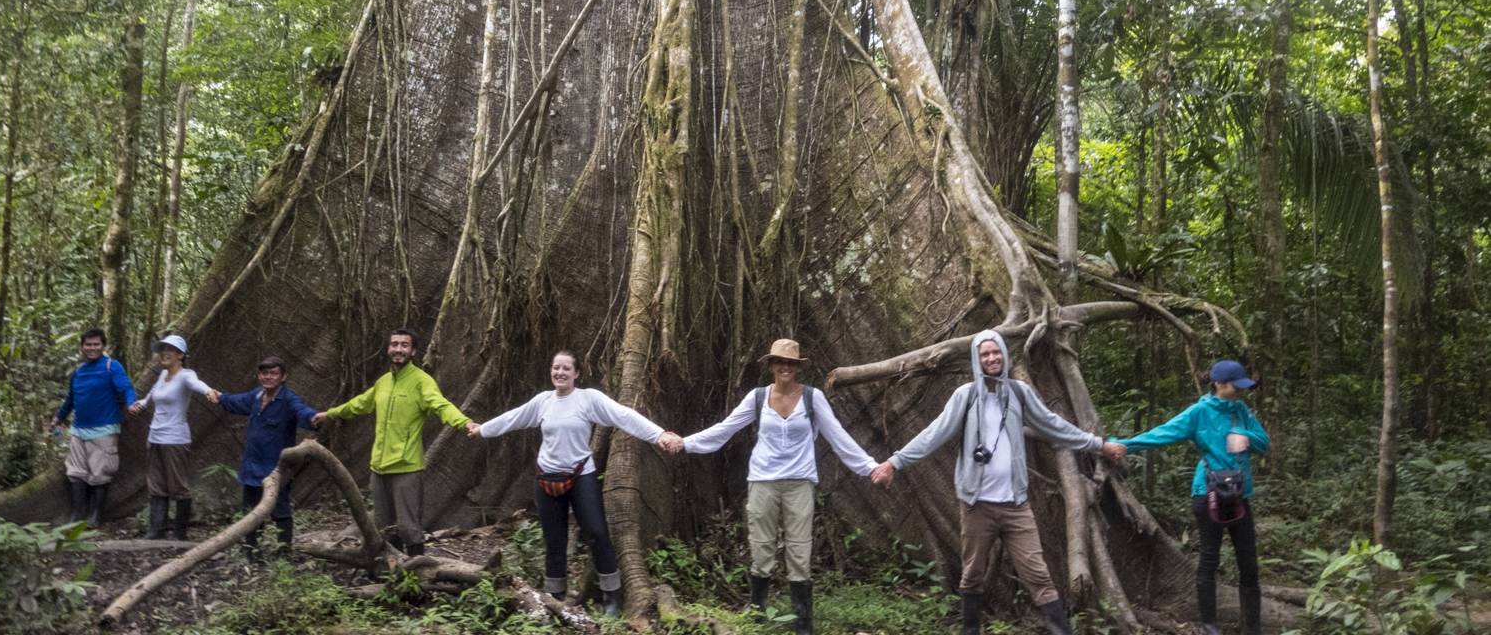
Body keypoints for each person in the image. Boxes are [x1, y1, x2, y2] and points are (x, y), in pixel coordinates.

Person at [869, 330, 1125, 635]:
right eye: (985, 354)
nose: (991, 358)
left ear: (1004, 355)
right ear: (977, 360)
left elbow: (1054, 425)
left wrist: (1098, 444)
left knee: (1038, 575)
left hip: (1016, 504)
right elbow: (934, 434)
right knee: (973, 573)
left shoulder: (1018, 393)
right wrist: (895, 462)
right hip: (976, 504)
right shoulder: (965, 396)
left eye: (996, 352)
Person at [674, 338, 878, 635]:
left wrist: (870, 467)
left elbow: (838, 437)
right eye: (780, 362)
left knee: (799, 550)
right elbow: (725, 429)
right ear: (771, 365)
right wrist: (685, 443)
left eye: (791, 363)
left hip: (799, 483)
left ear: (798, 368)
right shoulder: (757, 398)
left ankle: (803, 625)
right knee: (761, 548)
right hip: (762, 482)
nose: (785, 367)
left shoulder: (812, 397)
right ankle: (757, 615)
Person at [471, 350, 682, 616]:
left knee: (596, 533)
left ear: (577, 373)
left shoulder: (588, 399)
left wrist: (658, 435)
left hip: (581, 476)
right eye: (555, 367)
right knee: (554, 540)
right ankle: (554, 597)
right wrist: (482, 429)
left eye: (565, 369)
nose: (559, 373)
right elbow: (513, 418)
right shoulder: (543, 402)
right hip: (547, 477)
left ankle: (611, 596)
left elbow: (624, 415)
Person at [1113, 360, 1270, 635]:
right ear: (1219, 384)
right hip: (1208, 494)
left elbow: (1264, 442)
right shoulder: (1199, 412)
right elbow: (1163, 433)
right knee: (1209, 559)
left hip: (1240, 496)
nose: (1241, 391)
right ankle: (1210, 627)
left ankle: (1252, 628)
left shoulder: (1241, 411)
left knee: (1249, 564)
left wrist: (1245, 437)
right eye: (1236, 386)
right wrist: (1124, 445)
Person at [312, 329, 477, 556]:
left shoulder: (421, 382)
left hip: (406, 467)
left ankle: (417, 574)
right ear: (389, 349)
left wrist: (464, 423)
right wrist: (330, 414)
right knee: (384, 528)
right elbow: (359, 404)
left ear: (413, 351)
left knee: (409, 528)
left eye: (404, 345)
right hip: (379, 468)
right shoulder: (383, 382)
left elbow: (441, 405)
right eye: (394, 344)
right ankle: (393, 572)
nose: (398, 349)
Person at [212, 355, 320, 555]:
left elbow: (302, 412)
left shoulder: (288, 399)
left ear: (283, 376)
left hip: (276, 468)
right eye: (264, 373)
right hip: (252, 465)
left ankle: (283, 553)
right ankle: (251, 551)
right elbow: (236, 401)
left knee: (280, 511)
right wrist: (220, 397)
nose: (268, 377)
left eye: (273, 373)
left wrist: (313, 418)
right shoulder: (256, 396)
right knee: (251, 512)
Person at [128, 334, 215, 540]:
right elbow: (151, 395)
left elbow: (197, 384)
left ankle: (180, 533)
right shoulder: (161, 376)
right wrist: (141, 403)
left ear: (180, 355)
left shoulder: (186, 375)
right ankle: (156, 530)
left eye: (170, 349)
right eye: (162, 349)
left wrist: (209, 391)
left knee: (178, 486)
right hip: (155, 436)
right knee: (156, 484)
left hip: (175, 438)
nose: (164, 353)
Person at [50, 327, 137, 527]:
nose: (92, 348)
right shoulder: (79, 371)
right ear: (82, 347)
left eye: (96, 344)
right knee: (75, 472)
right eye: (88, 344)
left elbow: (126, 388)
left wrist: (132, 403)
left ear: (103, 345)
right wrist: (59, 418)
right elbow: (71, 399)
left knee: (101, 472)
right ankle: (77, 514)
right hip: (79, 430)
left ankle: (96, 516)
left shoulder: (111, 366)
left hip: (105, 429)